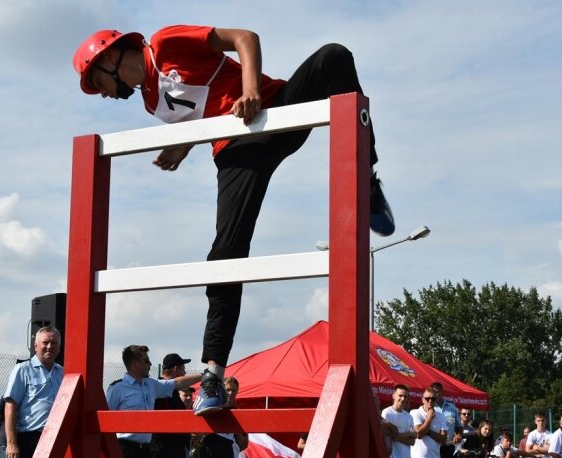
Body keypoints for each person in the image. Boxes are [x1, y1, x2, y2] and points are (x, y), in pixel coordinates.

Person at [72, 26, 397, 417]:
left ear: (110, 58)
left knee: (334, 55)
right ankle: (212, 375)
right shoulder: (150, 100)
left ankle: (368, 179)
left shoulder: (165, 44)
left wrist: (252, 91)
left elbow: (244, 38)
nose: (104, 94)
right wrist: (182, 145)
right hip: (237, 152)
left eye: (97, 83)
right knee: (226, 254)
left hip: (274, 111)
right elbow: (202, 111)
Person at [102, 347, 201, 458]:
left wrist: (205, 376)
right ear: (134, 364)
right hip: (123, 451)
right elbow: (105, 423)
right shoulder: (117, 389)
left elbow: (177, 383)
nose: (150, 364)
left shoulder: (151, 385)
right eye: (146, 360)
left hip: (145, 452)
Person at [3, 326, 64, 458]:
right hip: (29, 440)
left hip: (55, 441)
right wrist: (12, 443)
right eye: (45, 342)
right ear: (35, 345)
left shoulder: (62, 372)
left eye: (53, 343)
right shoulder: (22, 370)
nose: (49, 346)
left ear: (60, 347)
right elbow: (10, 406)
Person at [151, 353, 197, 458]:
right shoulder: (156, 387)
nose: (184, 371)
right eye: (183, 368)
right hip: (161, 453)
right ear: (176, 369)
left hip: (177, 454)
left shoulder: (174, 394)